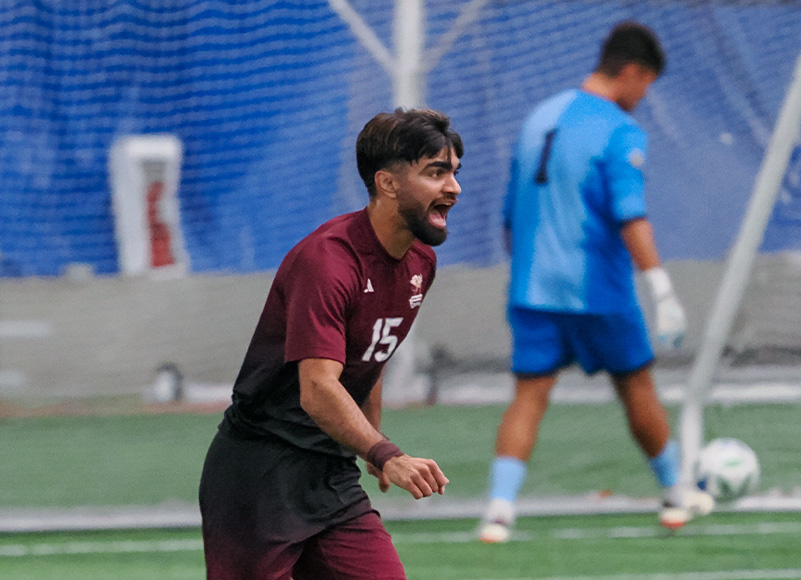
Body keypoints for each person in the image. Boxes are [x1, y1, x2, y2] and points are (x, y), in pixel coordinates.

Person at [199, 108, 462, 579]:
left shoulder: (420, 261)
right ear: (387, 183)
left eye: (454, 173)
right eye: (436, 173)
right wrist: (388, 455)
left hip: (331, 476)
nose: (454, 188)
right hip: (259, 476)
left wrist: (371, 448)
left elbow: (371, 358)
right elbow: (318, 387)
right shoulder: (328, 261)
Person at [478, 21, 713, 543]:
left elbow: (509, 219)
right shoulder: (618, 129)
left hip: (533, 289)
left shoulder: (538, 117)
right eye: (646, 84)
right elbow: (631, 216)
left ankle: (498, 511)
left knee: (529, 396)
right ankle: (675, 494)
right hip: (598, 289)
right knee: (636, 386)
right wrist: (662, 288)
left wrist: (528, 275)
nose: (643, 97)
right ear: (631, 72)